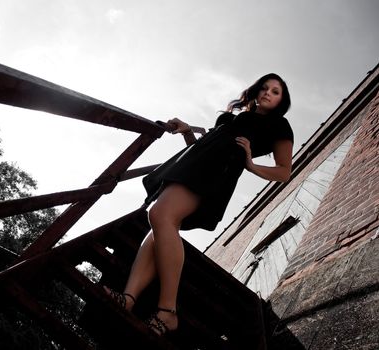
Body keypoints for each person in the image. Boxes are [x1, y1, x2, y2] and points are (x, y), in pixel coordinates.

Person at [104, 73, 294, 336]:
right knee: (160, 224)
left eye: (275, 91)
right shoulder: (236, 118)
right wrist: (187, 132)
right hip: (193, 165)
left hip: (217, 173)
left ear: (282, 101)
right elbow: (206, 145)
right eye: (264, 87)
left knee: (160, 216)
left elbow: (284, 172)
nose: (267, 93)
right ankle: (128, 299)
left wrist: (250, 164)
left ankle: (167, 312)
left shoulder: (279, 125)